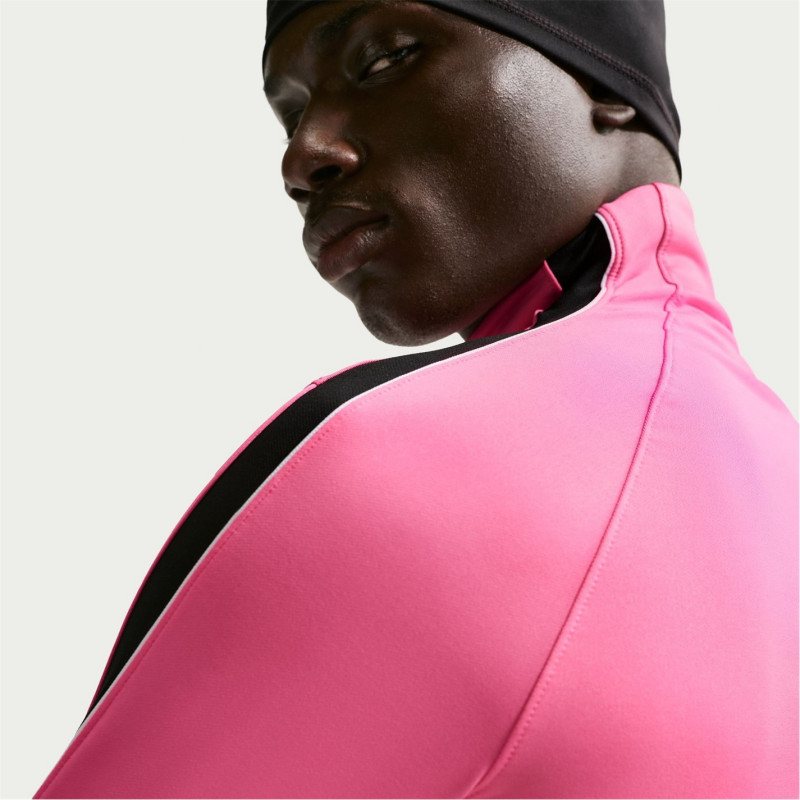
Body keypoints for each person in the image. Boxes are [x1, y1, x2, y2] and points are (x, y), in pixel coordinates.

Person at [34, 1, 798, 797]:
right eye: (290, 116)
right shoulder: (773, 480)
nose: (303, 156)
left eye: (385, 59)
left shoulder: (395, 462)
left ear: (606, 80)